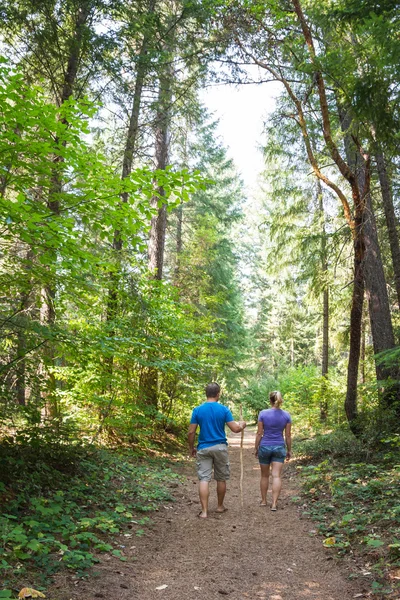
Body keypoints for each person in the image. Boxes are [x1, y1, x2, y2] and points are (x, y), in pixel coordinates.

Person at [188, 382, 247, 519]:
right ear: (218, 394)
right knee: (221, 478)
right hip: (220, 447)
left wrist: (191, 448)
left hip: (203, 447)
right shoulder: (224, 409)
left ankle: (204, 511)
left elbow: (191, 432)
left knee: (204, 479)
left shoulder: (197, 410)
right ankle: (220, 507)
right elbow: (235, 429)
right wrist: (242, 424)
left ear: (206, 393)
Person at [254, 390, 292, 511]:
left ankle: (264, 501)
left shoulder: (263, 414)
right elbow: (288, 435)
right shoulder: (286, 415)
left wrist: (256, 448)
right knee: (276, 476)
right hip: (279, 447)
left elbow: (259, 433)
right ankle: (274, 503)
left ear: (270, 400)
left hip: (265, 447)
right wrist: (289, 450)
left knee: (264, 476)